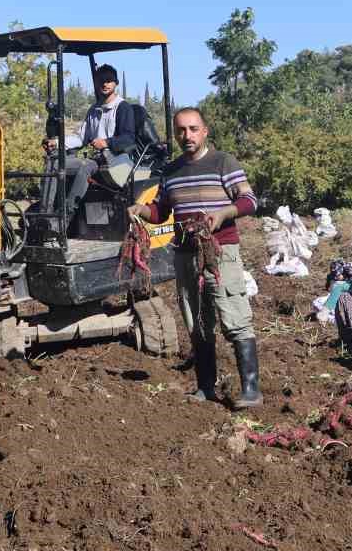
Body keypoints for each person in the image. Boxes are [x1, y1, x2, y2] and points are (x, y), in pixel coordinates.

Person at [129, 107, 261, 407]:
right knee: (197, 320)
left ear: (204, 131)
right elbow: (161, 211)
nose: (186, 136)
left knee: (234, 316)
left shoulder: (223, 162)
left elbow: (249, 199)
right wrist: (141, 210)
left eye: (192, 129)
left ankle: (251, 390)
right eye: (180, 131)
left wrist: (223, 213)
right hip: (186, 254)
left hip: (219, 252)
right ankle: (205, 387)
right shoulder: (171, 171)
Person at [47, 64, 152, 226]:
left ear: (115, 83)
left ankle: (65, 218)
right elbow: (81, 138)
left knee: (85, 167)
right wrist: (57, 143)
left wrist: (107, 142)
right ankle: (45, 213)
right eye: (101, 81)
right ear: (96, 83)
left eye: (109, 80)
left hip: (117, 161)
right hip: (97, 160)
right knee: (54, 163)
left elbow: (128, 139)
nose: (105, 84)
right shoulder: (94, 110)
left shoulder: (123, 108)